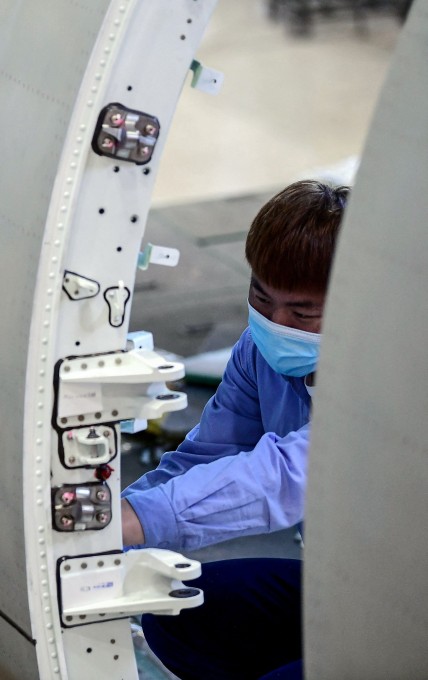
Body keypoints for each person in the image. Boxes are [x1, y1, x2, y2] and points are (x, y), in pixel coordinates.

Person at [121, 180, 349, 679]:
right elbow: (208, 455)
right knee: (177, 613)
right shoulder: (258, 350)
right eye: (261, 299)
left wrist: (140, 516)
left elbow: (290, 474)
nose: (275, 322)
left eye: (302, 313)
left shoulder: (398, 375)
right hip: (352, 588)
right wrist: (106, 528)